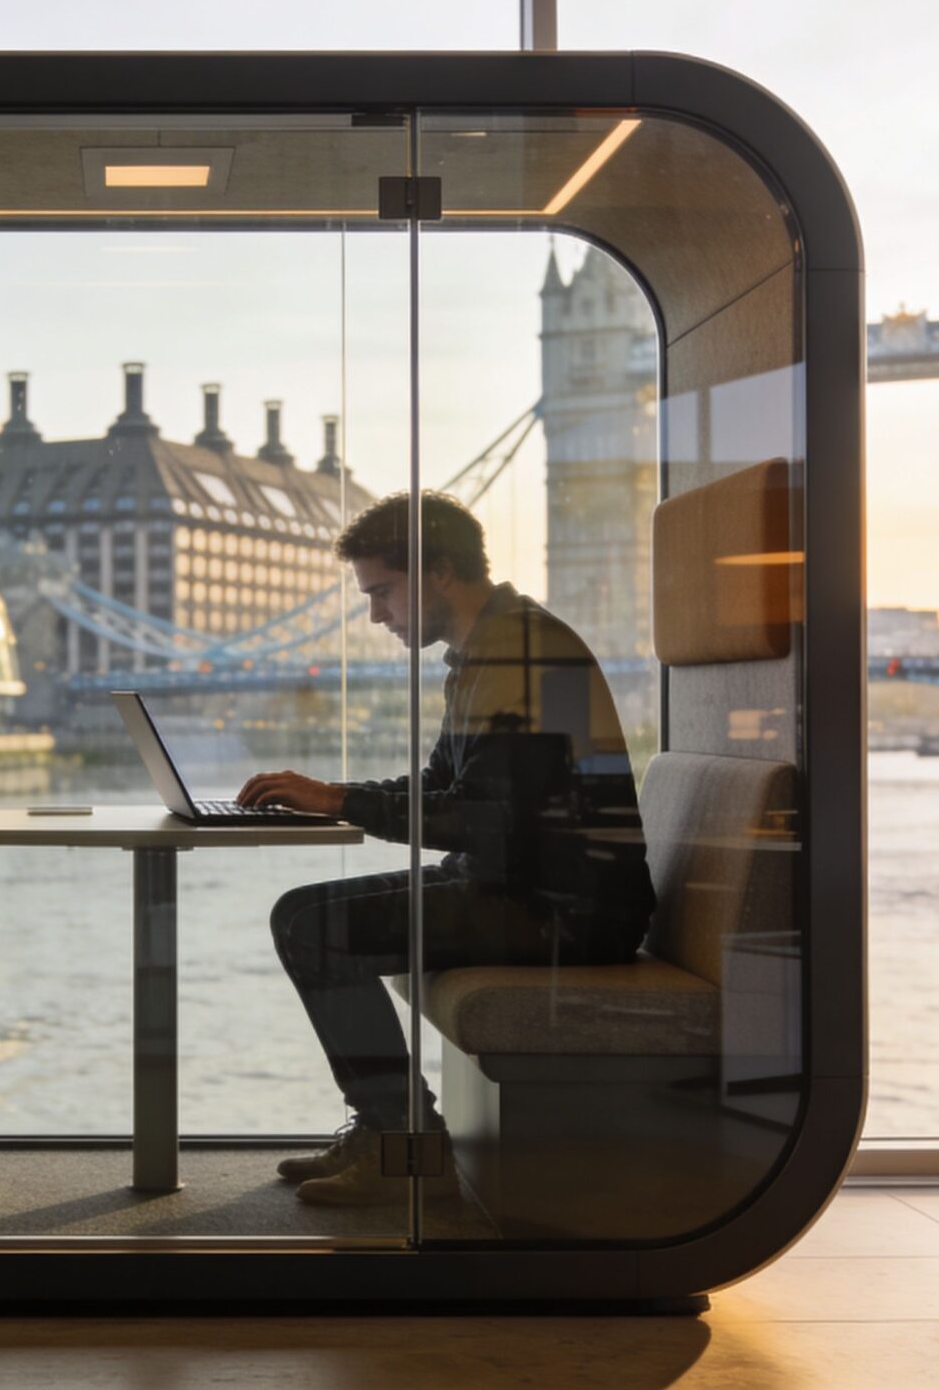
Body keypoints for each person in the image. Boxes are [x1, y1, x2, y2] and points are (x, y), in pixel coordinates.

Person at [236, 491, 654, 1206]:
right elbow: (441, 787)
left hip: (565, 912)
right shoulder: (487, 648)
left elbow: (483, 823)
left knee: (310, 924)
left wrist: (339, 803)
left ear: (439, 572)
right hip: (524, 886)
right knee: (303, 917)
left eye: (383, 592)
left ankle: (405, 1147)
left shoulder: (522, 653)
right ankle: (390, 1133)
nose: (375, 615)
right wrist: (328, 791)